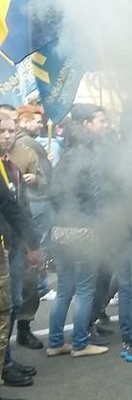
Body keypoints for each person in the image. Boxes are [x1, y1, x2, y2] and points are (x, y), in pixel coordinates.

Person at [46, 104, 110, 358]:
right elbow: (95, 196)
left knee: (64, 291)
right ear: (86, 125)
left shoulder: (64, 155)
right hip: (83, 229)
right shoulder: (87, 157)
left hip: (60, 228)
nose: (105, 126)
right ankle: (81, 344)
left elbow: (52, 195)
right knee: (84, 290)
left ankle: (55, 342)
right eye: (101, 121)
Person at [0, 116, 43, 396]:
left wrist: (32, 243)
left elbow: (18, 207)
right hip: (3, 246)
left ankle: (5, 361)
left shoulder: (11, 167)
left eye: (10, 131)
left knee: (13, 304)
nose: (6, 135)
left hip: (14, 246)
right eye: (1, 130)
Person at [9, 104, 52, 349]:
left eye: (11, 126)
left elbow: (44, 178)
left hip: (22, 228)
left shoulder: (23, 152)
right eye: (3, 127)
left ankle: (24, 329)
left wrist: (36, 178)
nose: (7, 133)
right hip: (5, 234)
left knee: (27, 285)